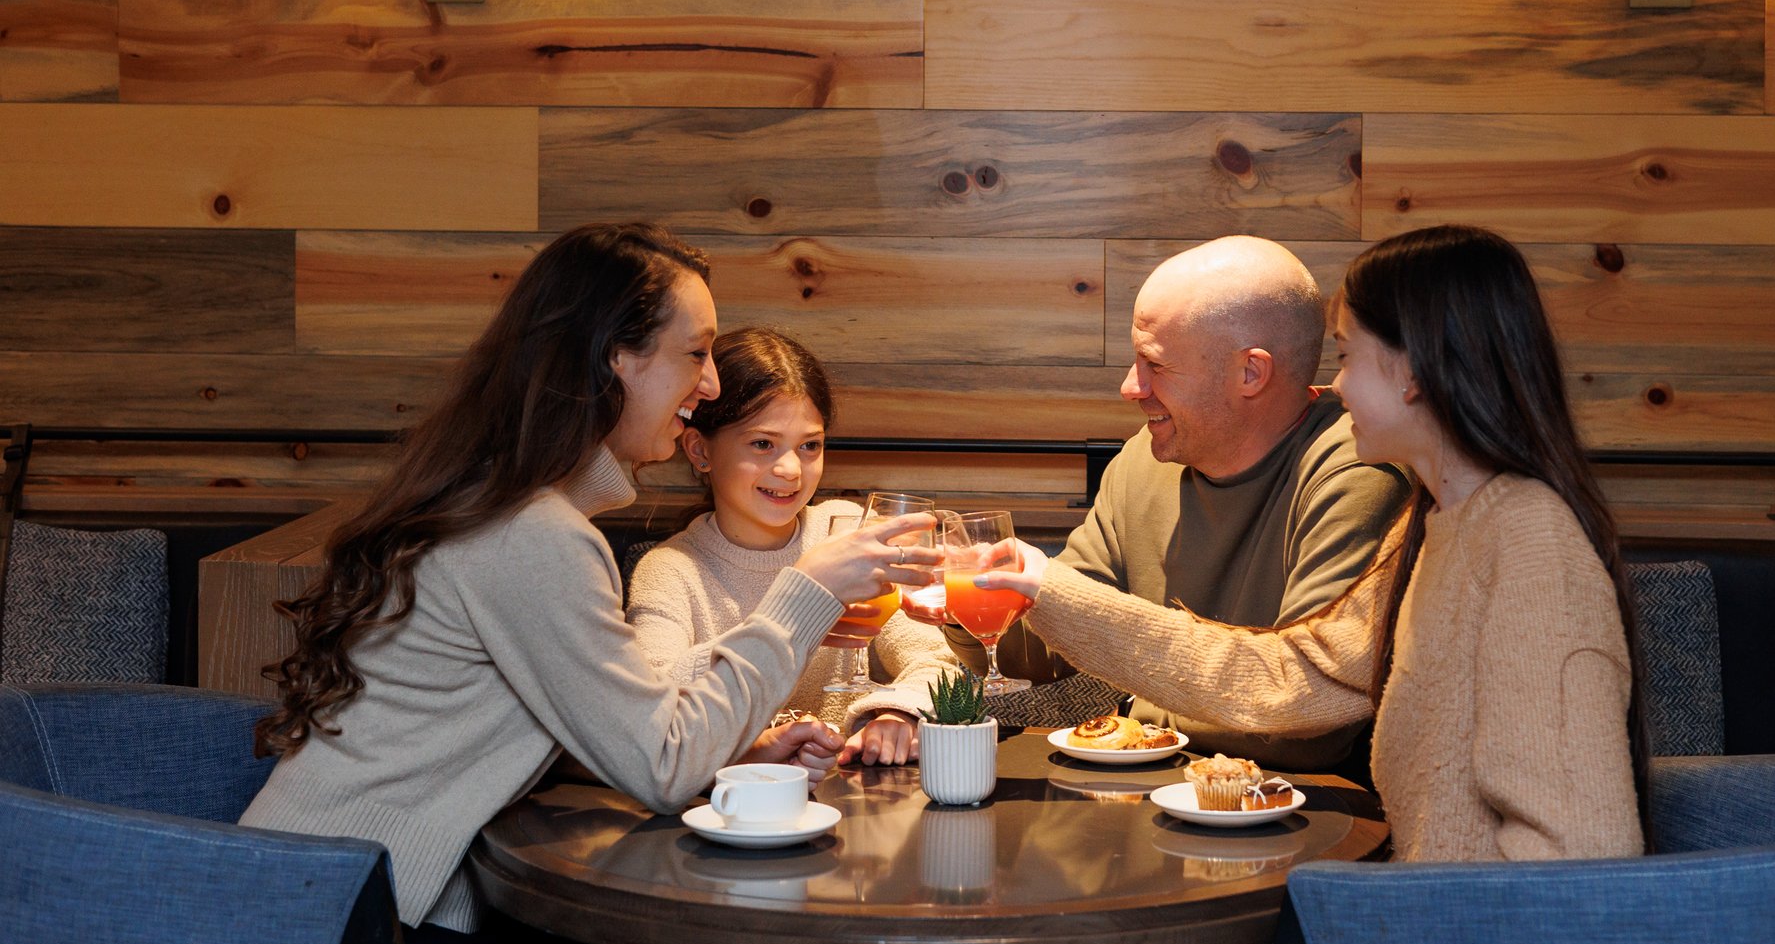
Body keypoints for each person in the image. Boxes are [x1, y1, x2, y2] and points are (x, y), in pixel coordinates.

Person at [239, 222, 939, 944]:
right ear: (615, 360)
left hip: (344, 887)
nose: (711, 386)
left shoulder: (510, 506)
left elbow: (582, 722)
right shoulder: (534, 535)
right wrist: (801, 595)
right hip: (347, 918)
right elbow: (661, 767)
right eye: (695, 353)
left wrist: (732, 755)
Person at [980, 225, 1648, 861]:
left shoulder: (1533, 546)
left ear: (1413, 372)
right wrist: (1038, 588)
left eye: (1349, 355)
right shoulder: (1440, 526)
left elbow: (1580, 859)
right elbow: (1290, 679)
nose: (1334, 384)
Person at [953, 235, 1409, 772]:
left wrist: (1141, 714)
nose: (1130, 387)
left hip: (1291, 818)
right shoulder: (1144, 460)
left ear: (1250, 373)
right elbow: (1048, 651)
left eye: (1155, 365)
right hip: (1147, 803)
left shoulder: (1359, 472)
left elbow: (1304, 725)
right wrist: (965, 605)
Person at [626, 327, 957, 767]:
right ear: (699, 449)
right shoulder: (670, 569)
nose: (789, 470)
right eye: (762, 444)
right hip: (732, 812)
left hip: (853, 801)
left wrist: (897, 711)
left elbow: (939, 662)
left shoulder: (845, 536)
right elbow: (652, 698)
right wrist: (794, 613)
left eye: (810, 446)